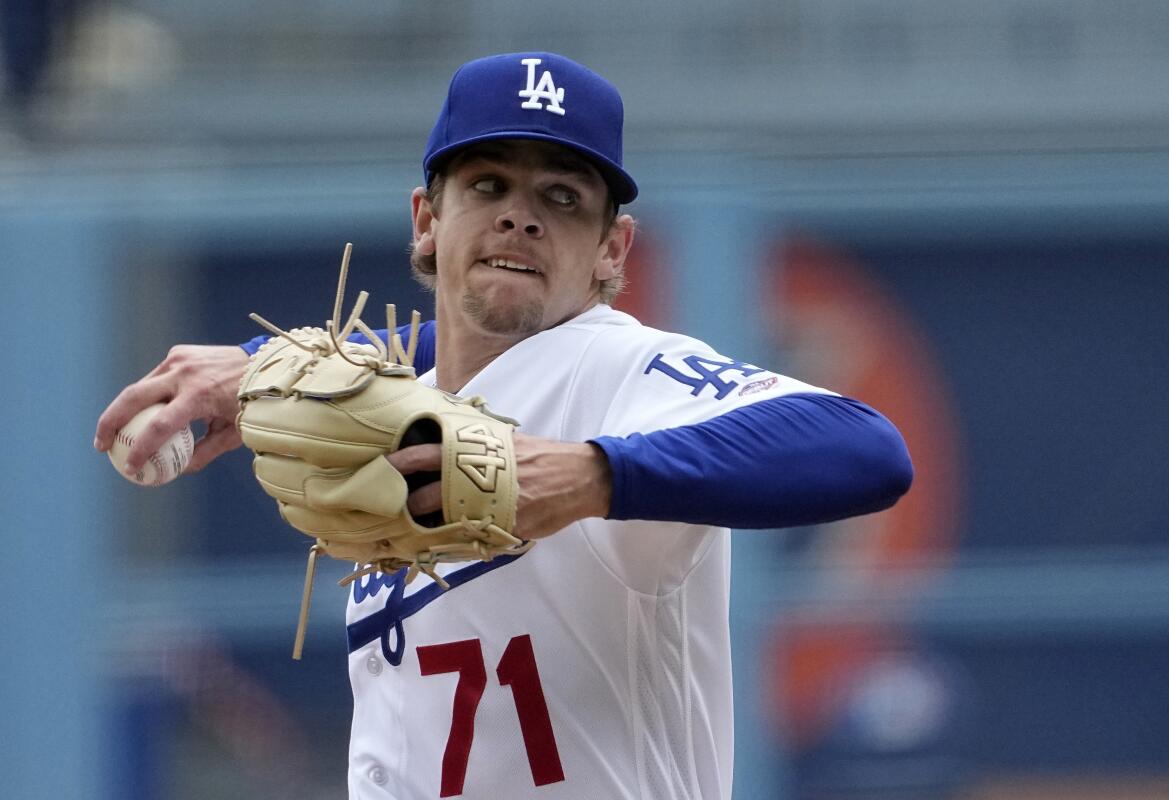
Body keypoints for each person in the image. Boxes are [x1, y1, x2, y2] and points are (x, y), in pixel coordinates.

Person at [95, 52, 913, 800]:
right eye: (488, 185)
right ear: (425, 218)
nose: (521, 218)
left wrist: (595, 476)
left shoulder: (620, 374)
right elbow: (446, 358)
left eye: (562, 197)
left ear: (610, 249)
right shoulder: (377, 403)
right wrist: (258, 361)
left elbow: (865, 446)